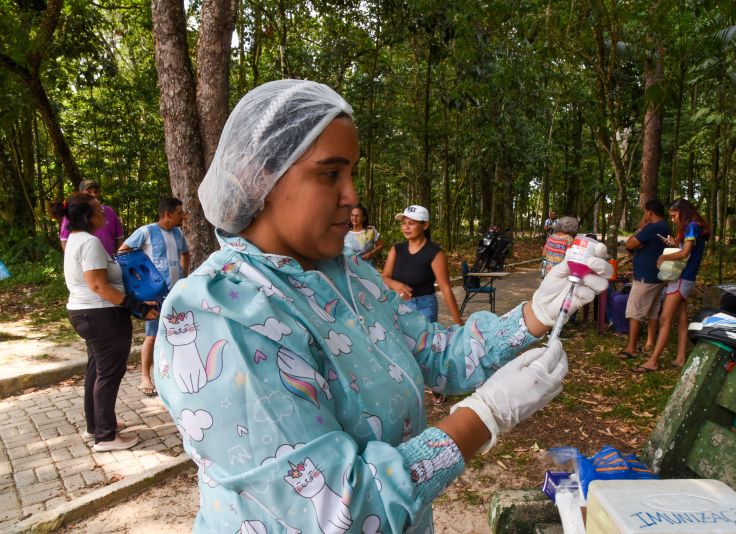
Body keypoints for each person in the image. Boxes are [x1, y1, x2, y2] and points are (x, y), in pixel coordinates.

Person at [152, 80, 611, 533]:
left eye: (351, 172)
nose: (352, 197)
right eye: (331, 173)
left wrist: (536, 314)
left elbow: (433, 352)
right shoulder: (218, 313)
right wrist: (483, 417)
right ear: (260, 179)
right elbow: (333, 507)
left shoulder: (349, 275)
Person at [52, 193, 158, 452]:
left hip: (85, 313)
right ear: (88, 216)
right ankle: (106, 436)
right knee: (109, 374)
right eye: (99, 210)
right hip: (101, 315)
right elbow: (98, 285)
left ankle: (97, 425)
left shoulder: (77, 240)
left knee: (96, 371)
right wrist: (139, 307)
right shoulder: (89, 243)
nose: (106, 214)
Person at [118, 197, 190, 396]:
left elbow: (186, 254)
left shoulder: (178, 233)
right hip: (155, 295)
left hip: (175, 293)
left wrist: (184, 276)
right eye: (179, 212)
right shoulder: (146, 232)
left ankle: (175, 375)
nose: (183, 216)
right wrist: (138, 282)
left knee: (178, 332)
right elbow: (122, 252)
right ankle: (145, 377)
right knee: (152, 335)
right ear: (167, 214)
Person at [636, 199, 709, 372]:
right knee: (682, 318)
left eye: (675, 216)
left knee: (664, 319)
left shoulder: (691, 226)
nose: (674, 220)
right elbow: (686, 249)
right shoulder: (695, 226)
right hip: (685, 277)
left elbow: (684, 253)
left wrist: (663, 257)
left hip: (682, 278)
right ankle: (681, 358)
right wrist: (674, 244)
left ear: (682, 212)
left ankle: (653, 361)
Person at [382, 205, 464, 326]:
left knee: (424, 344)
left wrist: (459, 323)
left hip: (424, 307)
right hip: (398, 305)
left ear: (425, 225)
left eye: (411, 223)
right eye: (403, 223)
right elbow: (384, 277)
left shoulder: (434, 253)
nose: (406, 227)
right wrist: (396, 285)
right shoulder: (396, 249)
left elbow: (445, 288)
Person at [618, 199, 669, 360]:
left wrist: (641, 227)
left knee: (634, 311)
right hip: (658, 276)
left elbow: (631, 243)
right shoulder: (665, 227)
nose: (644, 215)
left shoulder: (652, 228)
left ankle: (631, 347)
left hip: (645, 277)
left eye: (644, 212)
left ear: (650, 212)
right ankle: (650, 342)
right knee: (653, 311)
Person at [58, 180, 124, 257]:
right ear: (81, 194)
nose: (93, 194)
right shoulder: (73, 213)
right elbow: (64, 240)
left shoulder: (109, 211)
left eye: (95, 191)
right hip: (85, 261)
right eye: (89, 192)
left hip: (109, 261)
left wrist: (118, 258)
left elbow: (119, 238)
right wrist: (73, 260)